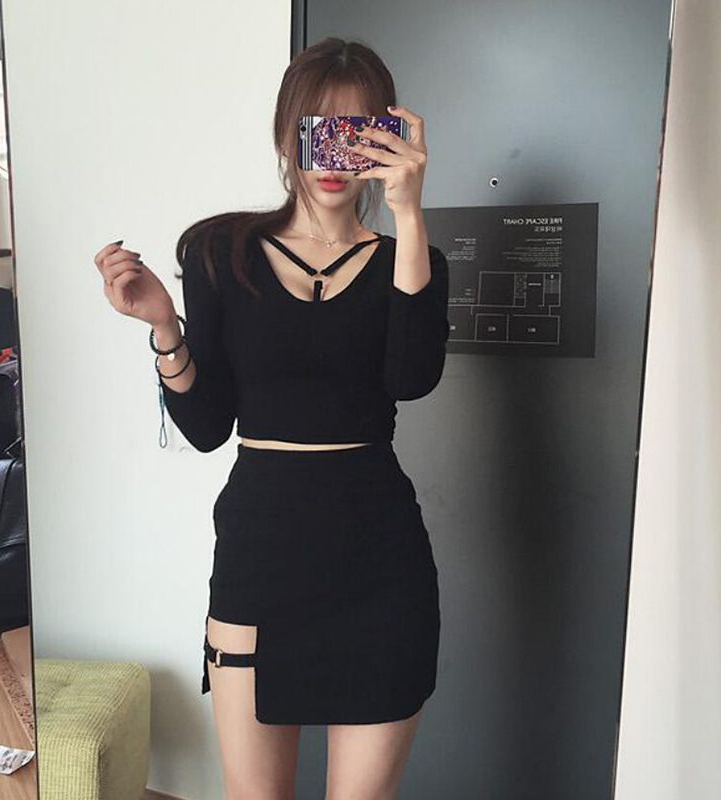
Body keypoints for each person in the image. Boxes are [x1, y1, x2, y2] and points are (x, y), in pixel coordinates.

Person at [94, 36, 449, 800]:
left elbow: (412, 379)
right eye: (317, 127)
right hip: (259, 554)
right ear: (287, 134)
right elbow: (207, 426)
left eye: (356, 130)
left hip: (380, 562)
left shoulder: (410, 259)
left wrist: (409, 213)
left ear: (387, 138)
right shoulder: (221, 251)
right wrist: (165, 327)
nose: (334, 152)